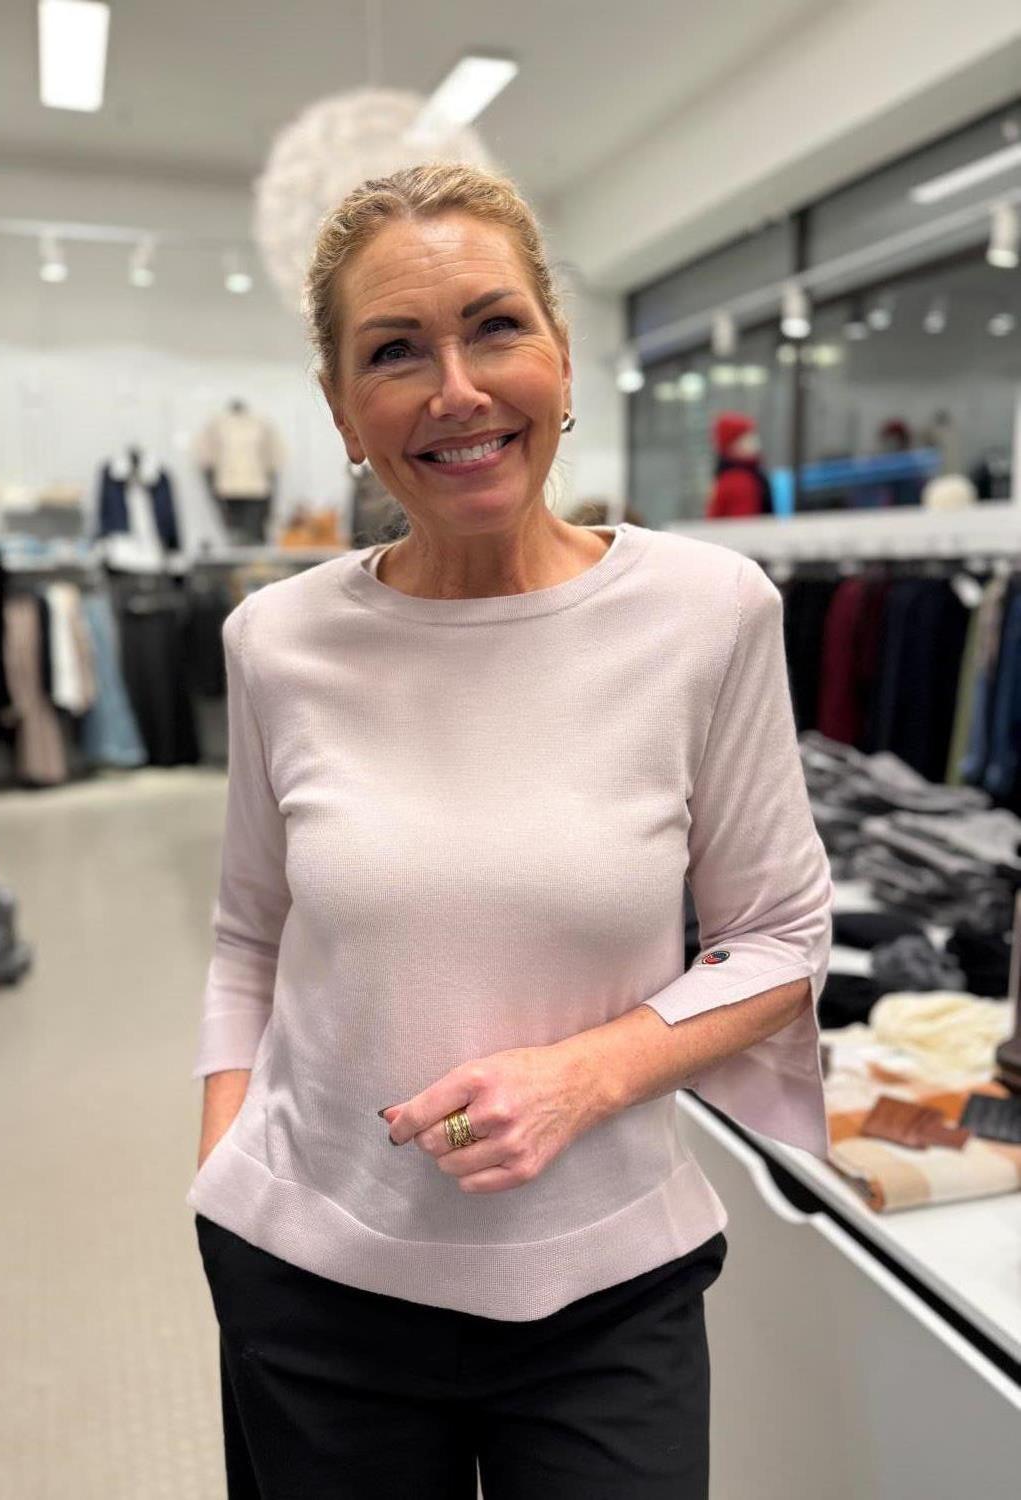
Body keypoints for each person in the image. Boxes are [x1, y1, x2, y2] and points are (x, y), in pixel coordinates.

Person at [189, 162, 833, 1499]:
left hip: (608, 1294)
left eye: (494, 327)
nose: (456, 391)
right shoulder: (276, 641)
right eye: (394, 352)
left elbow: (780, 941)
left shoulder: (708, 612)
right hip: (311, 1289)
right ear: (341, 409)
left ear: (560, 354)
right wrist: (225, 1167)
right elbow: (248, 934)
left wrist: (583, 1077)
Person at [705, 411, 774, 518]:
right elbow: (743, 524)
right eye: (747, 438)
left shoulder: (729, 476)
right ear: (732, 446)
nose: (755, 442)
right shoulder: (739, 481)